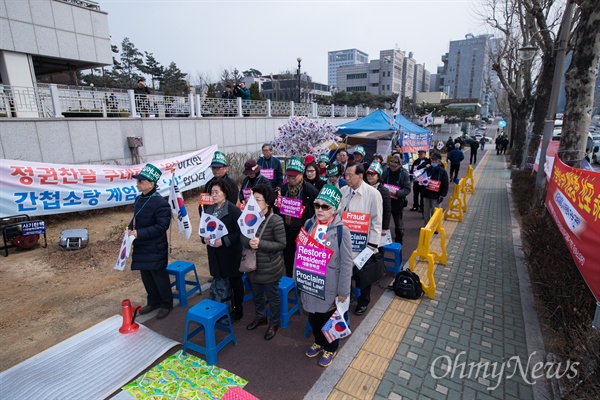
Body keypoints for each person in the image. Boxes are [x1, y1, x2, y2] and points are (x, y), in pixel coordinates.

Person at [297, 184, 352, 368]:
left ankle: (331, 347)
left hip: (329, 286)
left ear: (334, 209)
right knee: (313, 317)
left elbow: (346, 263)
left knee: (328, 318)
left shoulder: (341, 232)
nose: (319, 210)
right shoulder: (309, 224)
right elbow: (300, 252)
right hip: (310, 284)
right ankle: (319, 341)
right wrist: (297, 278)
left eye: (325, 206)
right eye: (317, 205)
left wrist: (343, 291)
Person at [241, 184, 286, 340]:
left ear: (268, 202)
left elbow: (281, 244)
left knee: (272, 297)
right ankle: (260, 317)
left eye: (258, 200)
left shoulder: (276, 220)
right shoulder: (249, 216)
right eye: (252, 199)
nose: (254, 203)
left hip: (270, 268)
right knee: (257, 295)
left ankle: (274, 323)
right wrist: (248, 243)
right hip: (253, 267)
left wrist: (260, 244)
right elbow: (242, 236)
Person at [129, 163, 173, 319]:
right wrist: (130, 229)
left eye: (141, 181)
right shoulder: (139, 199)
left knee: (159, 276)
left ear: (152, 183)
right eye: (138, 180)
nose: (138, 183)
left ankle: (167, 304)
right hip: (142, 244)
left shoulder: (160, 202)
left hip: (155, 246)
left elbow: (162, 226)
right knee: (146, 275)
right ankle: (153, 301)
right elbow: (136, 219)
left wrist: (140, 233)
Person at [340, 162, 383, 316]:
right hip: (344, 243)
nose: (347, 178)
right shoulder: (343, 191)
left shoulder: (373, 194)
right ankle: (349, 294)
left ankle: (363, 301)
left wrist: (371, 246)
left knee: (363, 276)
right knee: (345, 272)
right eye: (345, 175)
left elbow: (377, 221)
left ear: (360, 175)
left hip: (363, 244)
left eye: (350, 175)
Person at [200, 179, 244, 322]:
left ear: (224, 193)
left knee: (235, 281)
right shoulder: (208, 210)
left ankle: (238, 309)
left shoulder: (233, 210)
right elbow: (203, 231)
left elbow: (240, 233)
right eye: (211, 192)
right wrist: (204, 239)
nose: (213, 195)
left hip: (231, 254)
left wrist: (223, 241)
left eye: (216, 192)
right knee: (220, 281)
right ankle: (223, 306)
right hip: (215, 254)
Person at [275, 156, 319, 277]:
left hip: (303, 231)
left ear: (301, 174)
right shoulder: (283, 190)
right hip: (287, 230)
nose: (291, 178)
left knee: (302, 260)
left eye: (294, 175)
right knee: (288, 259)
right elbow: (277, 209)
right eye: (289, 175)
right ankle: (290, 279)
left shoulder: (310, 190)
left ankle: (301, 283)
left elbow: (317, 211)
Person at [381, 155, 411, 243]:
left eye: (395, 166)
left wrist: (397, 193)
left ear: (400, 165)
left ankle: (399, 239)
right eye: (391, 165)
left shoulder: (404, 174)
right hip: (386, 201)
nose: (392, 167)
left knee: (398, 224)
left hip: (397, 202)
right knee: (383, 221)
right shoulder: (386, 171)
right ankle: (382, 240)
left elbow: (407, 189)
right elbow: (381, 182)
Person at [365, 162, 391, 241]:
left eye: (372, 174)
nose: (370, 176)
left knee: (378, 246)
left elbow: (387, 210)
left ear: (378, 176)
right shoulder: (363, 188)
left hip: (378, 223)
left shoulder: (384, 191)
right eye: (368, 174)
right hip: (365, 222)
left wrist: (384, 228)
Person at [421, 153, 449, 223]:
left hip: (436, 195)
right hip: (426, 194)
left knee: (435, 212)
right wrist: (422, 182)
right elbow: (421, 179)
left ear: (439, 161)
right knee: (426, 211)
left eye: (435, 160)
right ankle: (426, 225)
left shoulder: (442, 171)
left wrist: (442, 195)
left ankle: (435, 227)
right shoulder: (427, 169)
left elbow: (445, 184)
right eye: (432, 160)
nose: (433, 162)